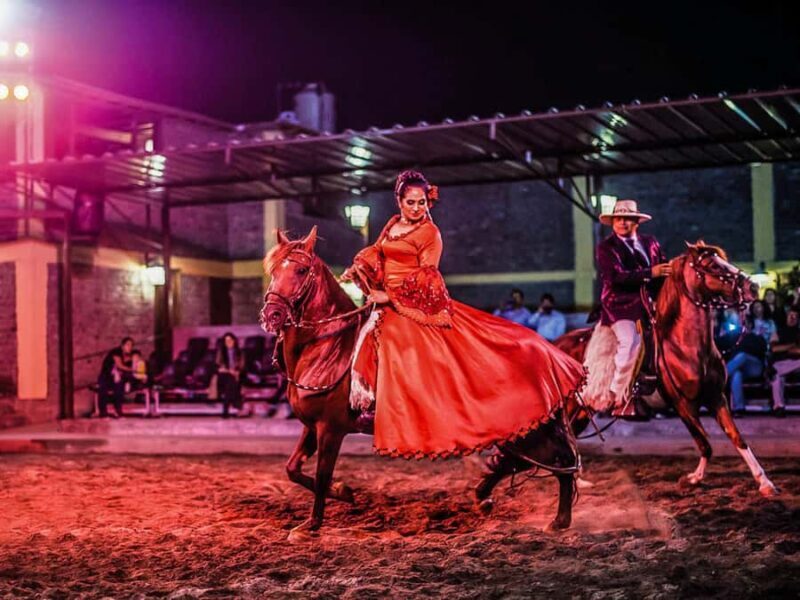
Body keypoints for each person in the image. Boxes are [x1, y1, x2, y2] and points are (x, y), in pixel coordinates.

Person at [340, 170, 585, 458]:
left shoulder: (430, 233)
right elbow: (379, 256)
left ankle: (390, 411)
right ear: (399, 201)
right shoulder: (392, 225)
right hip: (381, 301)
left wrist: (390, 296)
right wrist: (361, 270)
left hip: (412, 305)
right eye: (411, 202)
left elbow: (427, 278)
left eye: (422, 203)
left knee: (394, 342)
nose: (417, 208)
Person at [596, 199, 671, 414]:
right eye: (618, 219)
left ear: (636, 222)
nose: (622, 223)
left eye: (627, 219)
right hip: (621, 306)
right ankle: (617, 395)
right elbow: (615, 277)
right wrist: (650, 273)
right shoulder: (606, 247)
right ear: (613, 223)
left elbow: (663, 271)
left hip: (650, 304)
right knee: (630, 341)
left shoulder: (651, 243)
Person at [726, 300, 778, 415]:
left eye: (759, 306)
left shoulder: (770, 323)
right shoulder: (749, 324)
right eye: (754, 307)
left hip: (759, 362)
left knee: (742, 356)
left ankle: (720, 378)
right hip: (744, 362)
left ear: (764, 308)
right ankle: (739, 408)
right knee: (737, 373)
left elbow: (774, 340)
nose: (757, 308)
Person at [770, 305, 800, 417]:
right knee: (777, 378)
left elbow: (798, 352)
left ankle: (775, 370)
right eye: (791, 315)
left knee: (775, 371)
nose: (793, 318)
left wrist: (785, 349)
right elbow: (774, 349)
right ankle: (779, 407)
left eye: (795, 316)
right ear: (786, 316)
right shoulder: (778, 332)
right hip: (782, 363)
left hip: (796, 365)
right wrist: (791, 346)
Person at [97, 337, 134, 418]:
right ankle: (103, 413)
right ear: (122, 345)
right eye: (128, 345)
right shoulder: (116, 352)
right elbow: (119, 365)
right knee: (103, 389)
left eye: (131, 345)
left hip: (117, 378)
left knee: (119, 388)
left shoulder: (129, 356)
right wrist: (133, 369)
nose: (130, 347)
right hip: (106, 376)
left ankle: (118, 411)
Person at [216, 332, 244, 418]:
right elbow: (218, 366)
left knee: (231, 383)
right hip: (224, 374)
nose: (228, 342)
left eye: (230, 340)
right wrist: (229, 371)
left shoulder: (239, 352)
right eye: (226, 341)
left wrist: (237, 372)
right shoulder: (221, 352)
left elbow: (242, 366)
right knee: (230, 381)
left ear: (234, 341)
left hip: (237, 374)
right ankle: (236, 405)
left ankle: (225, 410)